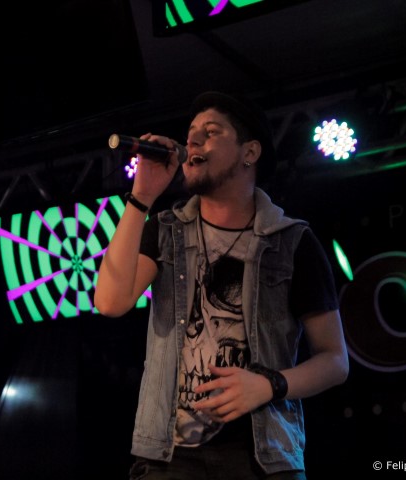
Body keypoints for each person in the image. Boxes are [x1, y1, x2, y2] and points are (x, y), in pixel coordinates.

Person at [94, 91, 349, 479]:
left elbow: (335, 361)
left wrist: (270, 385)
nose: (193, 141)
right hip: (169, 459)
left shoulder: (292, 241)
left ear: (250, 152)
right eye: (191, 133)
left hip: (264, 460)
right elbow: (111, 302)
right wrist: (141, 198)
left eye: (210, 132)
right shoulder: (165, 231)